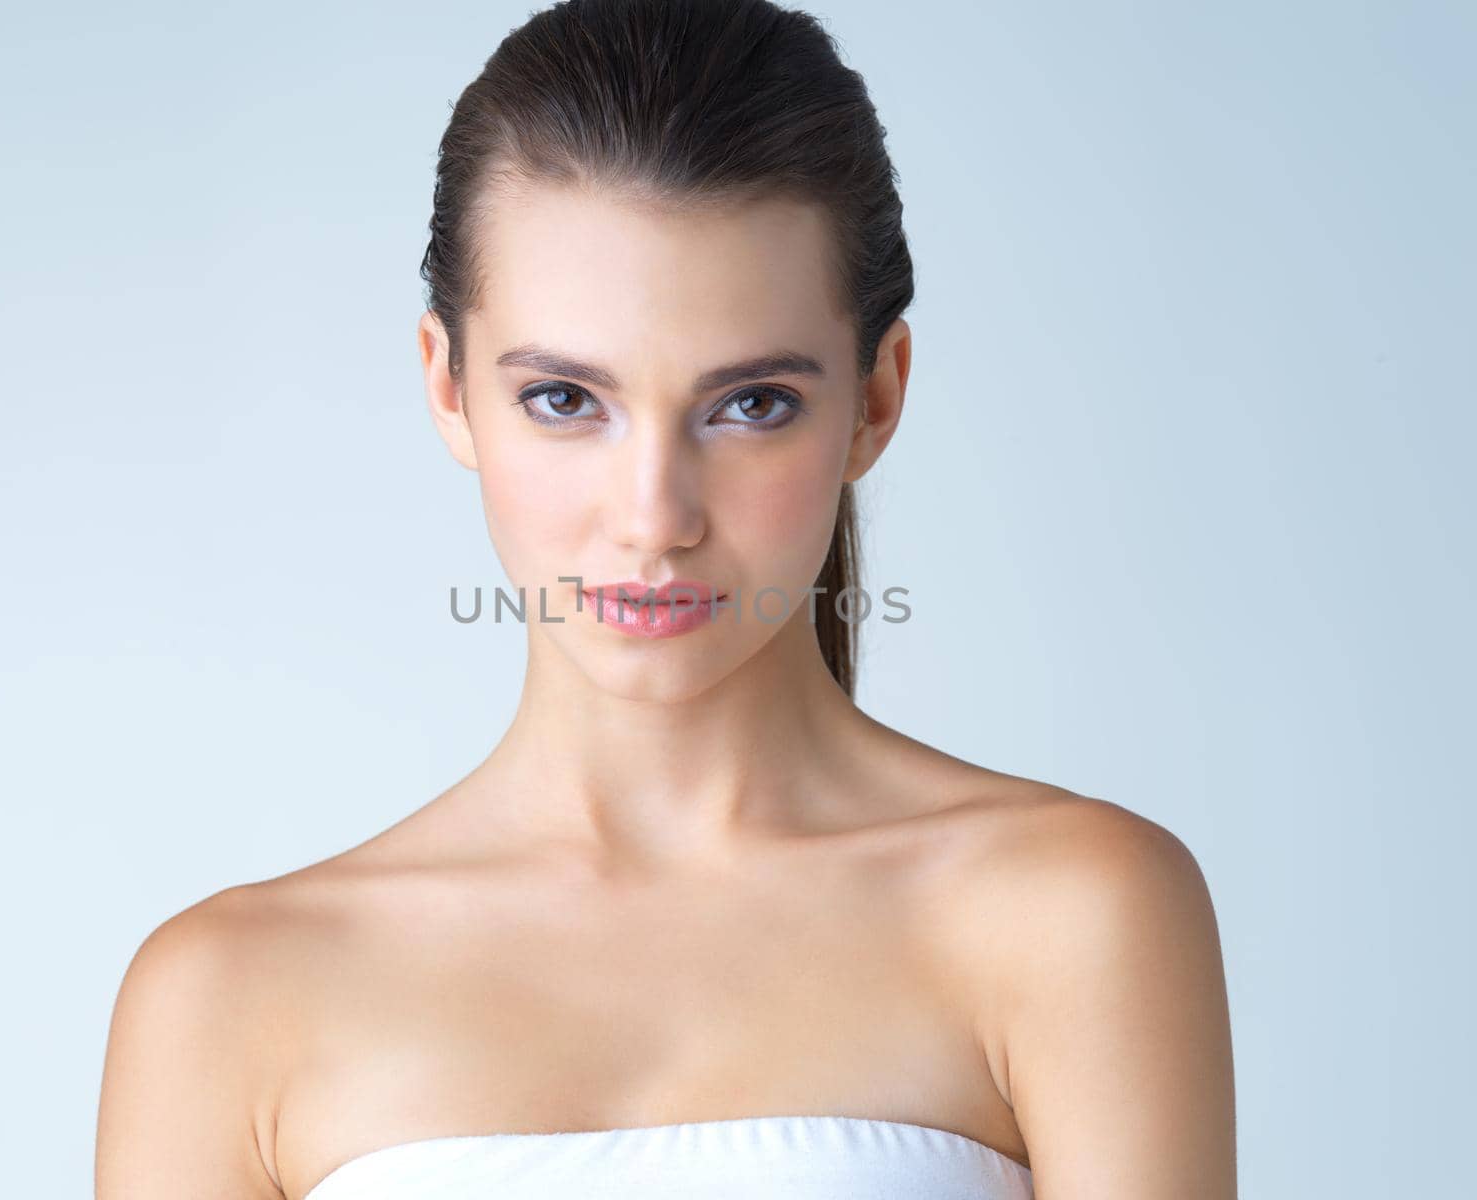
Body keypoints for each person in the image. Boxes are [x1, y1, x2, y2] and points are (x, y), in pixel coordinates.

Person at [94, 1, 1236, 1196]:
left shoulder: (1071, 914)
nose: (653, 517)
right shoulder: (228, 996)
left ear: (875, 398)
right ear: (447, 386)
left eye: (749, 404)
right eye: (564, 400)